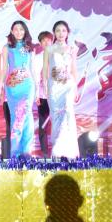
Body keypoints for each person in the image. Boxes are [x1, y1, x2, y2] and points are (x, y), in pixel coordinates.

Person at [42, 20, 80, 158]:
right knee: (56, 116)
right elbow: (45, 69)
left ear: (68, 33)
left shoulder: (72, 49)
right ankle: (58, 149)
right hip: (54, 87)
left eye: (63, 30)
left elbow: (74, 69)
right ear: (54, 33)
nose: (61, 33)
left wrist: (76, 88)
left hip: (68, 86)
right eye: (58, 30)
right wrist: (45, 86)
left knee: (67, 113)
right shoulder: (49, 49)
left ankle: (65, 150)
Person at [2, 21, 36, 158]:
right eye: (15, 29)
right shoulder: (7, 48)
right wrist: (0, 87)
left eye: (21, 29)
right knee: (16, 116)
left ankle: (26, 151)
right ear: (11, 31)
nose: (18, 32)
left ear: (25, 31)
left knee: (26, 113)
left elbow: (32, 69)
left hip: (27, 86)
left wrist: (37, 88)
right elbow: (4, 69)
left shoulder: (30, 48)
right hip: (12, 87)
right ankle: (16, 153)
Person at [35, 31, 53, 155]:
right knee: (43, 125)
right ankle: (45, 152)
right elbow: (36, 77)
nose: (46, 43)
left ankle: (59, 150)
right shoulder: (37, 58)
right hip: (42, 96)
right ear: (40, 43)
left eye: (48, 40)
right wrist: (36, 95)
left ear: (52, 41)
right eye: (43, 41)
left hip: (56, 96)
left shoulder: (57, 56)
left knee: (59, 123)